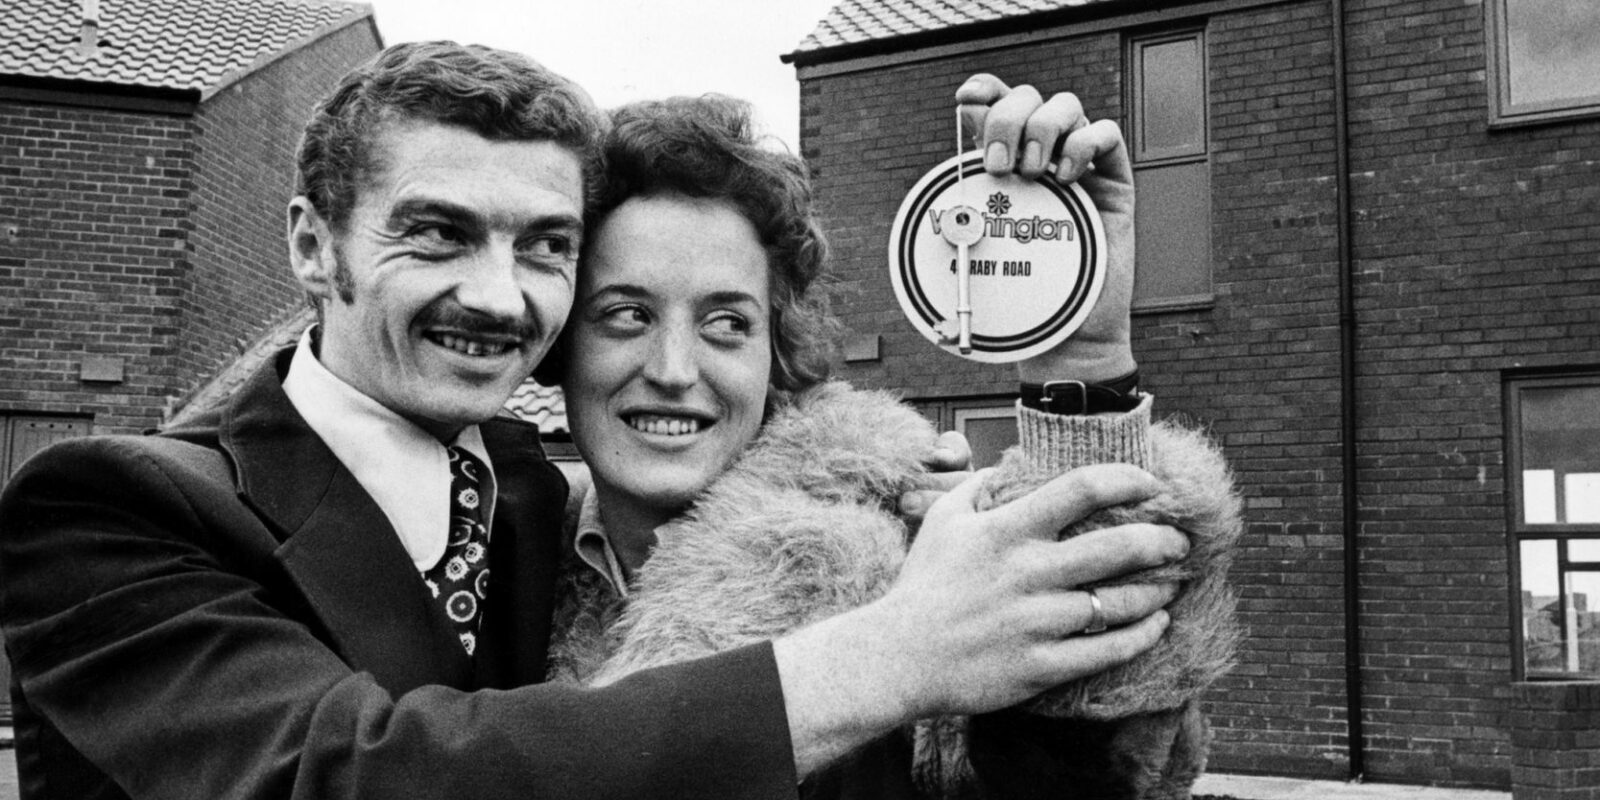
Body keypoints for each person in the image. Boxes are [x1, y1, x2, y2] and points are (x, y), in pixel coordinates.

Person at [0, 42, 1191, 800]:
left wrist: (1075, 352)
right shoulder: (112, 506)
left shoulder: (876, 536)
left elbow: (1080, 760)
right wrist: (896, 650)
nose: (496, 292)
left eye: (545, 248)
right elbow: (357, 773)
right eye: (438, 232)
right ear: (311, 245)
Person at [541, 92, 1241, 799]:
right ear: (561, 338)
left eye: (727, 322)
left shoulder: (913, 555)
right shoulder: (498, 553)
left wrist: (1083, 365)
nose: (673, 370)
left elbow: (1084, 777)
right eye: (626, 314)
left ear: (775, 351)